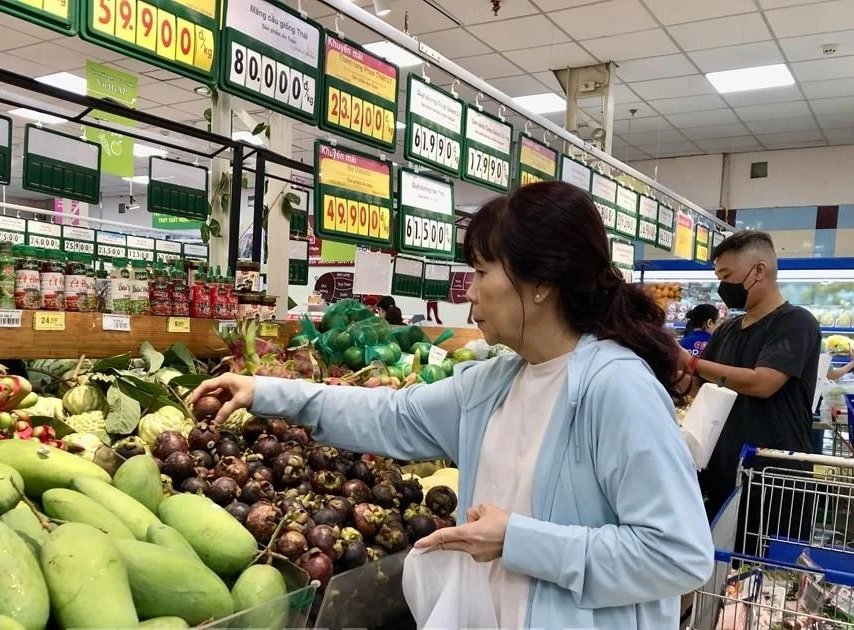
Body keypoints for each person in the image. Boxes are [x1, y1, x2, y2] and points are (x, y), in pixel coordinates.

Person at [193, 181, 713, 629]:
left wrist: (520, 540)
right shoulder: (495, 383)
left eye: (483, 272)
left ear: (541, 285)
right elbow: (390, 415)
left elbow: (678, 554)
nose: (470, 294)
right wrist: (264, 391)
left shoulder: (615, 388)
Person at [678, 230, 821, 555]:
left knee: (768, 585)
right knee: (715, 578)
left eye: (727, 276)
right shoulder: (727, 329)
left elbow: (763, 383)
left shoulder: (795, 323)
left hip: (776, 480)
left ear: (759, 271)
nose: (722, 286)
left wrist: (692, 363)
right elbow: (701, 388)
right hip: (722, 473)